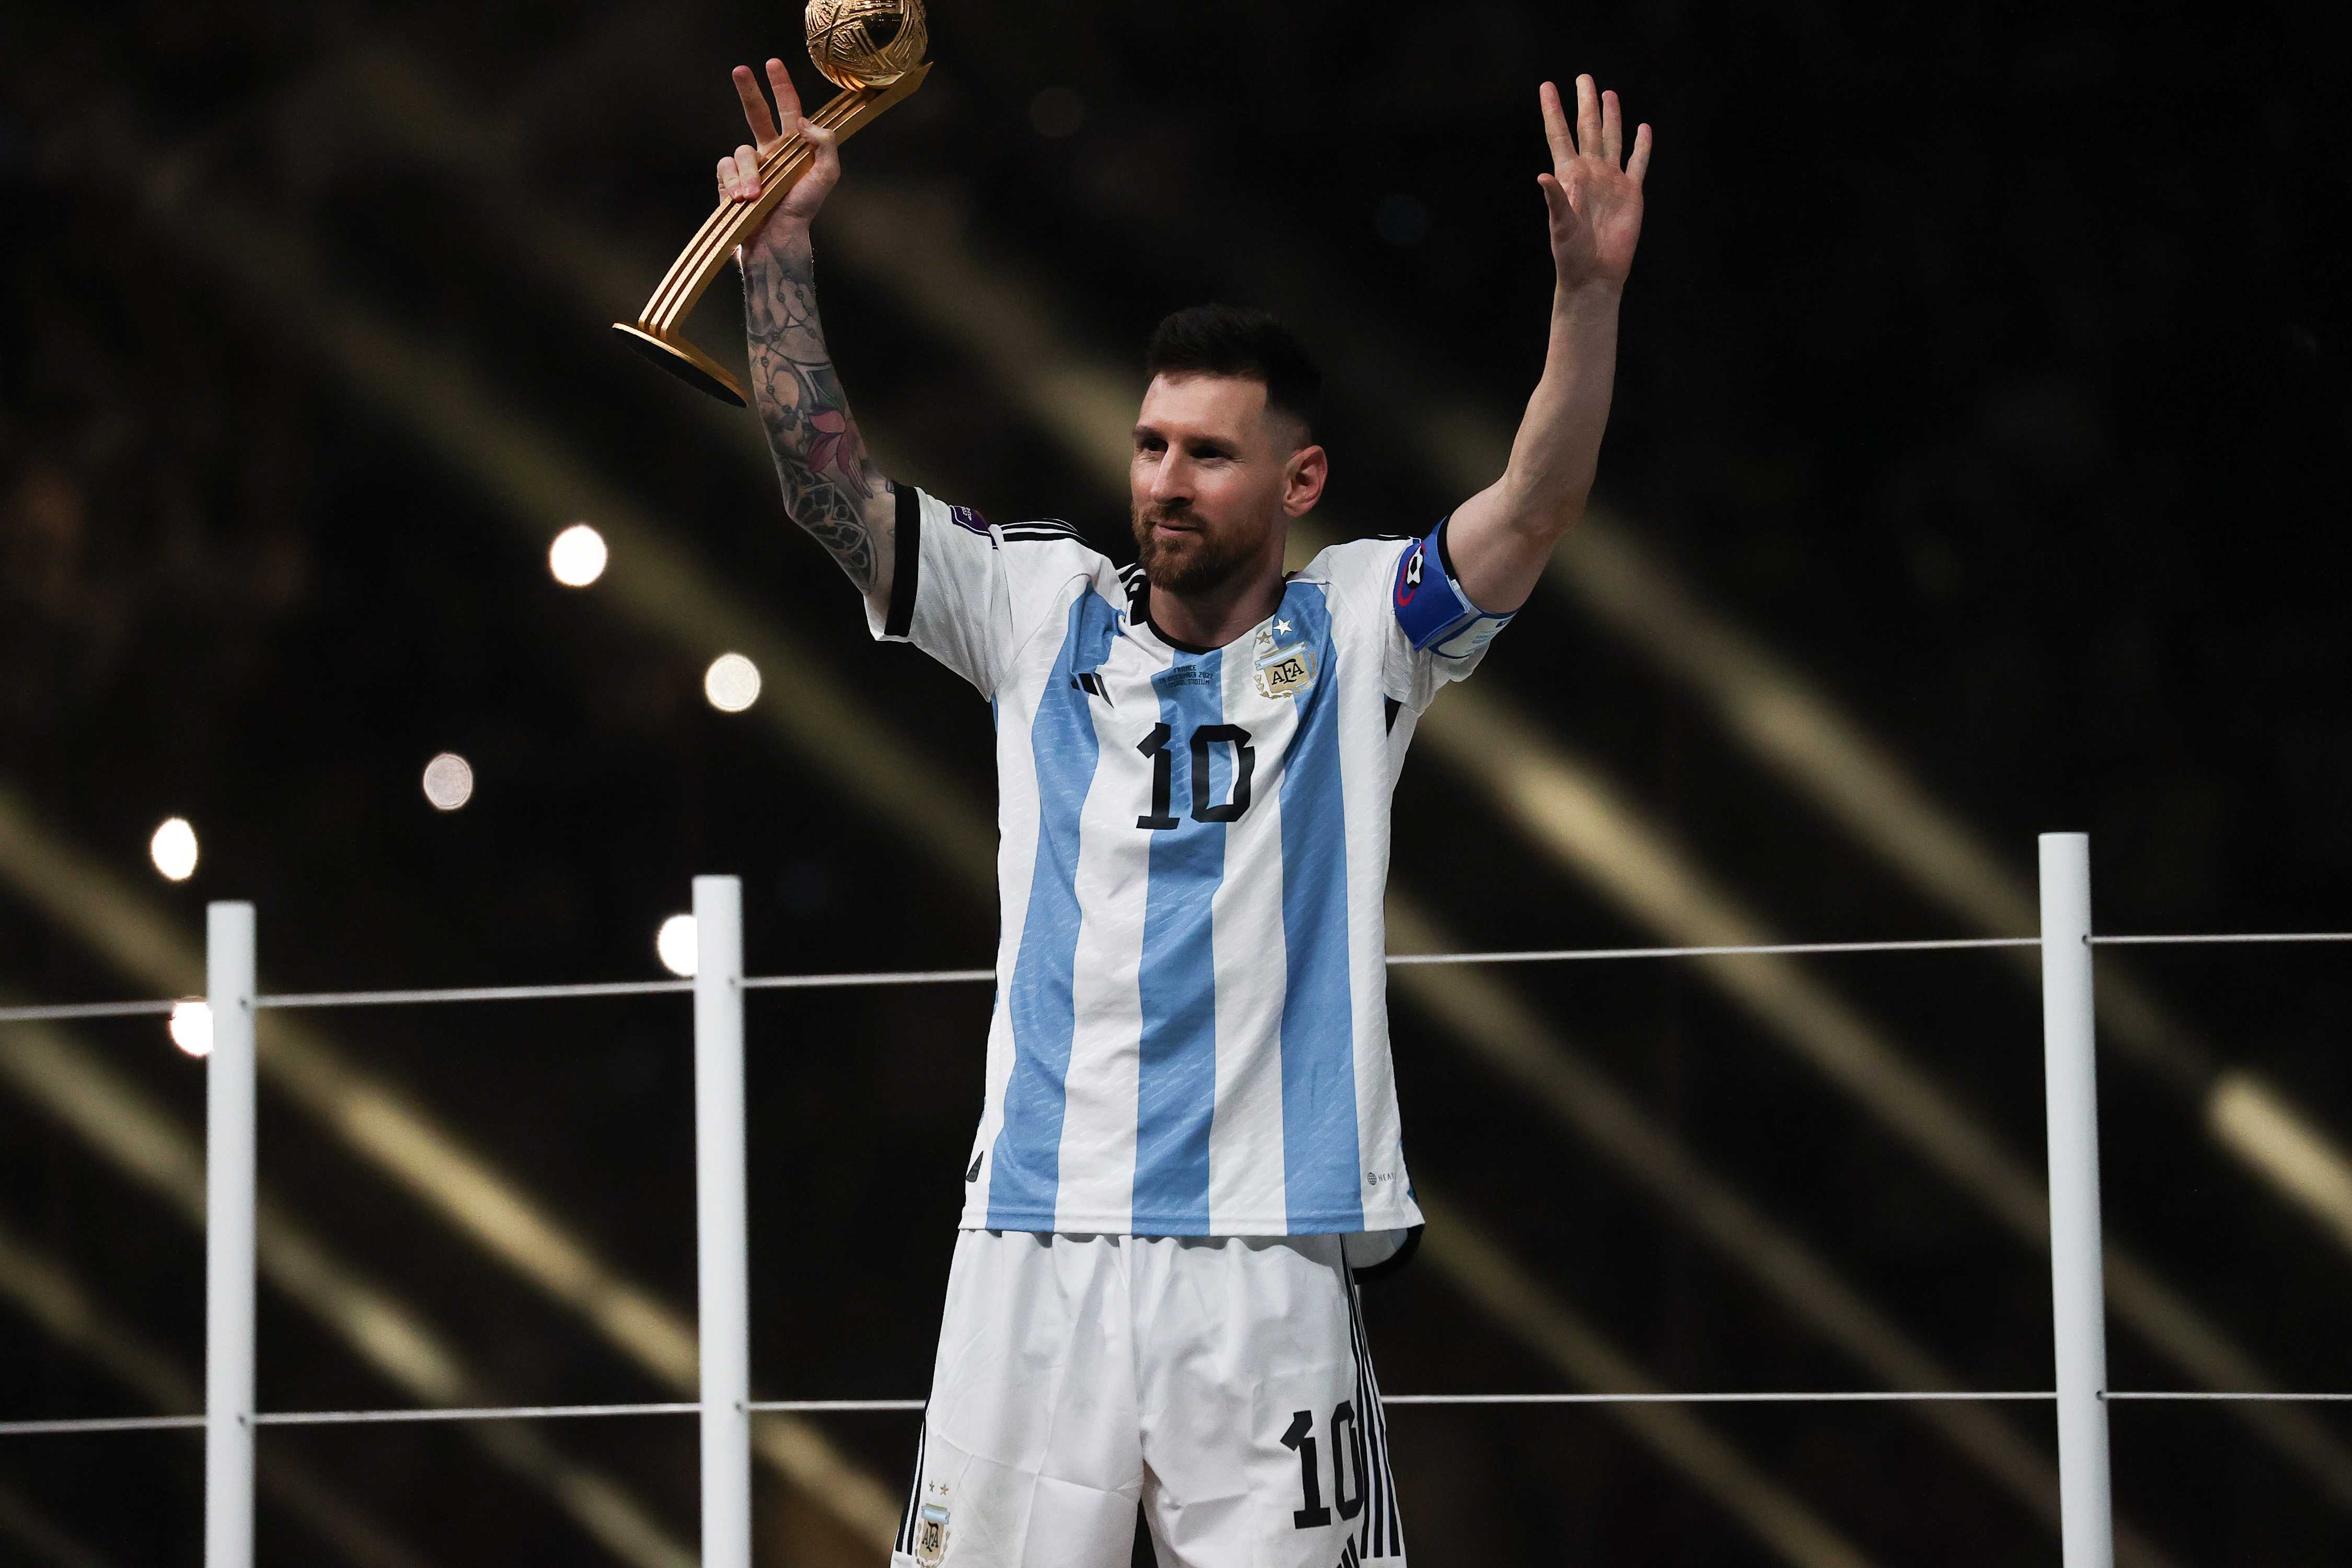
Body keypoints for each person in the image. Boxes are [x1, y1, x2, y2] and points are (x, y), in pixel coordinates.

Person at [716, 58, 1649, 1568]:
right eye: (1151, 446)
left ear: (1299, 478)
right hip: (1038, 1238)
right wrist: (777, 262)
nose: (1166, 482)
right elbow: (834, 496)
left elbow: (1533, 507)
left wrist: (1587, 301)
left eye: (1208, 455)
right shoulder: (1034, 604)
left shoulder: (1364, 629)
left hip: (1265, 1265)